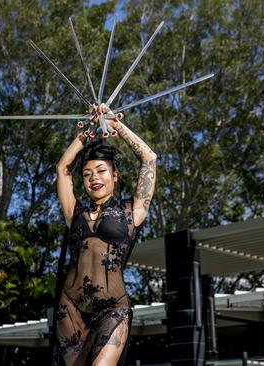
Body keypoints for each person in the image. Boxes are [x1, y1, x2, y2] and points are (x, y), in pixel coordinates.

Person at [53, 104, 157, 366]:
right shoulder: (73, 213)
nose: (93, 178)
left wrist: (115, 125)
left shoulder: (131, 212)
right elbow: (63, 168)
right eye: (87, 174)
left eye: (101, 171)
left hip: (113, 309)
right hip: (71, 309)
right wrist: (86, 132)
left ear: (115, 175)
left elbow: (149, 158)